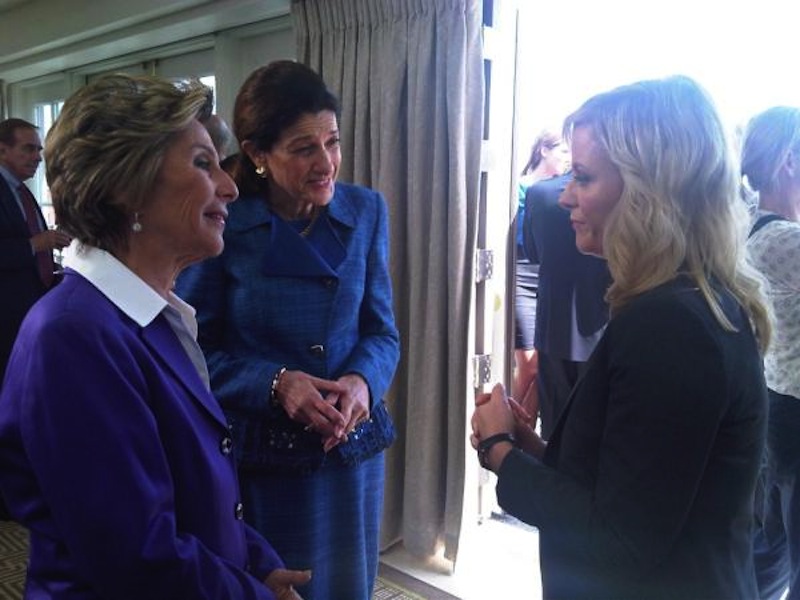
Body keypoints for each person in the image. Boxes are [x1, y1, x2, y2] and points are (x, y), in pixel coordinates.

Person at [0, 74, 309, 599]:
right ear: (126, 187)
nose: (231, 186)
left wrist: (253, 563)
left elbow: (189, 494)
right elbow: (138, 557)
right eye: (202, 163)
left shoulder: (148, 316)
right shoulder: (73, 336)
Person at [471, 75, 771, 599]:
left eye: (583, 177)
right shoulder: (691, 303)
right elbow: (637, 485)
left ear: (649, 192)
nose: (564, 196)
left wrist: (499, 450)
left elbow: (618, 539)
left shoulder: (670, 324)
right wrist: (534, 449)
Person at [176, 60, 400, 600]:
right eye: (304, 148)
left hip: (350, 450)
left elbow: (382, 332)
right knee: (279, 585)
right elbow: (192, 350)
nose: (326, 163)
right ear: (256, 154)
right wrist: (276, 383)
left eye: (333, 142)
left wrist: (362, 382)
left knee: (348, 586)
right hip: (267, 456)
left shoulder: (366, 210)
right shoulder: (222, 221)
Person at [742, 106, 800, 600]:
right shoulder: (784, 239)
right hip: (794, 410)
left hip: (777, 403)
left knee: (773, 545)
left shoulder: (754, 226)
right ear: (788, 160)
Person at [522, 173, 610, 438]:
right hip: (604, 328)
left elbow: (532, 253)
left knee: (554, 434)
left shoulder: (539, 193)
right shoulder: (615, 194)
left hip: (554, 331)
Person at [0, 118, 71, 385]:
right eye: (28, 149)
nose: (37, 157)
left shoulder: (23, 192)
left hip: (32, 307)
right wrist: (34, 244)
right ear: (2, 150)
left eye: (39, 150)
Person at [512, 131, 570, 428]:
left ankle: (521, 434)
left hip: (546, 275)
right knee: (530, 364)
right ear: (544, 150)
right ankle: (511, 433)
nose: (567, 159)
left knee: (543, 363)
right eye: (562, 151)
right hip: (521, 273)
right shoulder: (519, 187)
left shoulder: (565, 192)